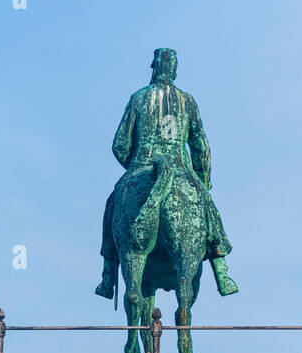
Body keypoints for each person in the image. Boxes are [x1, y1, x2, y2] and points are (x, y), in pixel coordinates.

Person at [95, 48, 238, 302]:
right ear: (174, 69)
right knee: (208, 207)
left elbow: (119, 145)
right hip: (181, 168)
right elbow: (201, 148)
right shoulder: (187, 100)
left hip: (141, 166)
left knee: (112, 204)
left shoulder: (138, 98)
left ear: (154, 67)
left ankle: (107, 277)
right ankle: (222, 271)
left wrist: (135, 168)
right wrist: (202, 182)